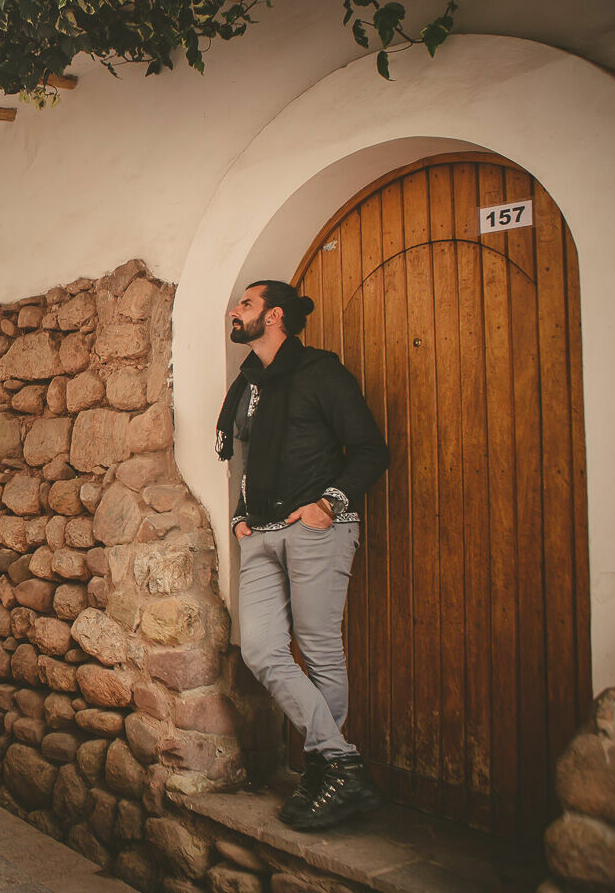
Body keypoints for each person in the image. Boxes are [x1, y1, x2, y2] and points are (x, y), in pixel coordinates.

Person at [216, 280, 389, 831]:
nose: (235, 311)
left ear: (275, 317)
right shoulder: (247, 385)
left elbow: (370, 449)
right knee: (262, 650)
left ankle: (324, 773)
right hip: (259, 533)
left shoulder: (321, 373)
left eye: (246, 303)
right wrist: (241, 515)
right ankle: (341, 762)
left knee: (318, 650)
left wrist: (328, 505)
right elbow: (244, 454)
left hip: (315, 528)